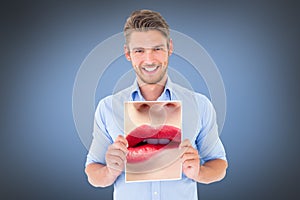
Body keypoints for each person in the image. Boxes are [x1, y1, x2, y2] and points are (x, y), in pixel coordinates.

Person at [85, 9, 228, 200]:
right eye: (139, 51)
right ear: (128, 53)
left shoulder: (199, 105)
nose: (149, 60)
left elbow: (219, 164)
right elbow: (93, 173)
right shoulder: (108, 108)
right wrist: (110, 171)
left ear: (170, 48)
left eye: (157, 49)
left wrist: (199, 172)